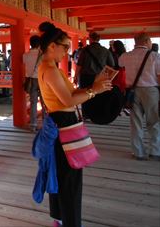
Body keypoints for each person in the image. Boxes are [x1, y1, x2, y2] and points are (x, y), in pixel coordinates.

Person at [37, 22, 112, 227]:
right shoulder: (50, 70)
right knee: (70, 178)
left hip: (60, 123)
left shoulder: (51, 68)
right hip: (64, 123)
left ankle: (60, 219)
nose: (67, 52)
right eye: (65, 47)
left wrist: (93, 86)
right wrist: (93, 91)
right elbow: (68, 101)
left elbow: (70, 95)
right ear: (52, 46)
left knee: (61, 174)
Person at [119, 33, 160, 161]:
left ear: (135, 42)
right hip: (150, 91)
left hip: (132, 91)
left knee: (136, 122)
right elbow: (159, 76)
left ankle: (138, 153)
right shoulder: (155, 56)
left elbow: (120, 64)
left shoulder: (126, 56)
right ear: (147, 41)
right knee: (154, 121)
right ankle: (155, 151)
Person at [23, 35, 42, 132]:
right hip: (42, 80)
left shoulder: (25, 55)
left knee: (33, 103)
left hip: (30, 80)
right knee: (45, 102)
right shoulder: (42, 55)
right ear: (39, 44)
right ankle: (46, 123)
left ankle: (33, 125)